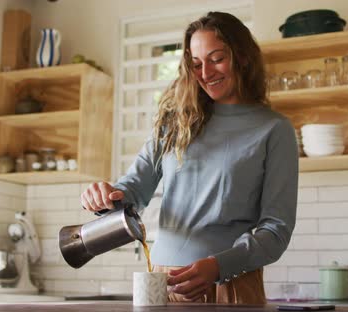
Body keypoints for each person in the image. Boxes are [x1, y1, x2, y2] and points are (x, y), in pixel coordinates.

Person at [80, 11, 298, 304]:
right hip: (164, 282)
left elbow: (276, 231)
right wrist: (105, 195)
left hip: (232, 283)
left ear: (243, 56)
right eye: (196, 64)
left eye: (216, 58)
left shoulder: (274, 129)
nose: (206, 73)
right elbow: (132, 190)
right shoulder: (175, 121)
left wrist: (219, 266)